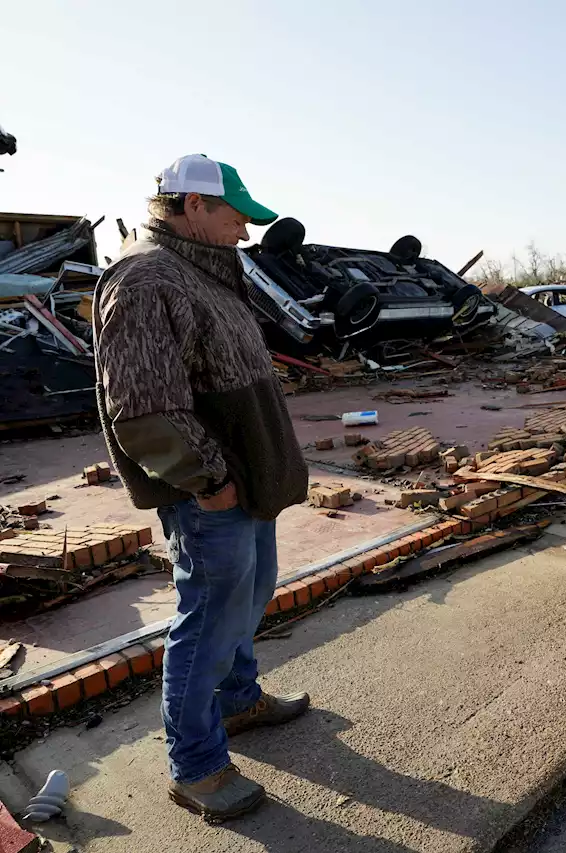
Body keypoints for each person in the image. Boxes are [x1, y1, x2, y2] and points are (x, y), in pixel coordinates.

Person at [93, 154, 312, 820]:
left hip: (249, 484)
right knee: (208, 624)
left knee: (249, 597)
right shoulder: (147, 277)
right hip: (213, 491)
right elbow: (144, 409)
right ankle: (196, 766)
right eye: (236, 217)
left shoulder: (204, 271)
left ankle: (238, 699)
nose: (245, 233)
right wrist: (209, 481)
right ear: (194, 206)